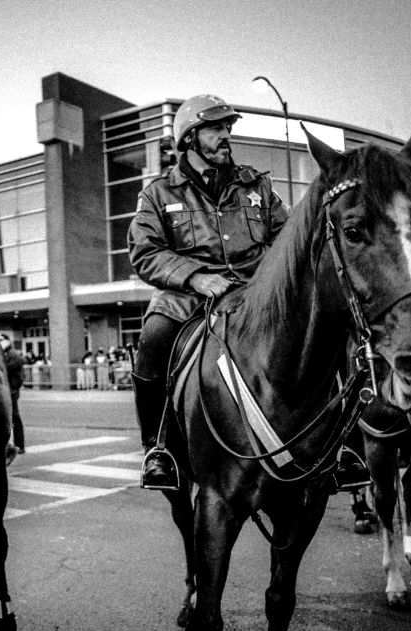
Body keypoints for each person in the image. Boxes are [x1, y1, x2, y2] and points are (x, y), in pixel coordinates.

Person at [128, 94, 289, 490]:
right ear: (190, 137)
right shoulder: (159, 193)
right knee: (153, 339)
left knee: (319, 326)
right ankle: (158, 448)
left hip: (255, 294)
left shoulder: (257, 185)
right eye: (216, 129)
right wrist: (196, 277)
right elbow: (144, 251)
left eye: (227, 129)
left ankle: (345, 448)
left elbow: (287, 238)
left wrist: (271, 279)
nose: (225, 137)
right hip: (188, 299)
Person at [0, 334, 25, 455]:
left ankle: (20, 445)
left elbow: (9, 368)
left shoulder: (13, 354)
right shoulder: (2, 353)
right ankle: (9, 444)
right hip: (6, 388)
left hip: (12, 389)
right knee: (7, 417)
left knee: (14, 416)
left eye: (1, 340)